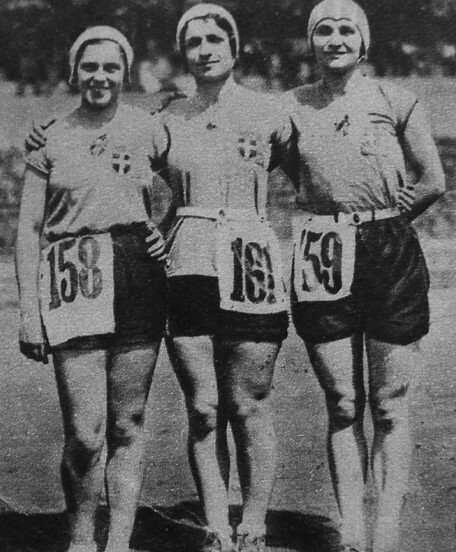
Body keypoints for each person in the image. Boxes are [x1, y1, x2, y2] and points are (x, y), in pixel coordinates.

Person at [284, 1, 445, 551]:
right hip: (322, 249)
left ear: (363, 40)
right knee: (343, 403)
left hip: (387, 248)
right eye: (323, 30)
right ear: (312, 42)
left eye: (345, 29)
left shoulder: (394, 99)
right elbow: (248, 153)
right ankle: (351, 530)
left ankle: (387, 533)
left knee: (390, 403)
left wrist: (387, 223)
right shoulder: (291, 107)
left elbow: (432, 180)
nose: (334, 39)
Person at [16, 26, 169, 552]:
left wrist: (166, 228)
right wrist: (29, 314)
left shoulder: (150, 128)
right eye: (90, 67)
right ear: (75, 72)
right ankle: (81, 539)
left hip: (135, 272)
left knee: (127, 424)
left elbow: (191, 175)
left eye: (110, 67)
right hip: (72, 274)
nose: (100, 77)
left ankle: (120, 542)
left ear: (125, 72)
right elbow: (27, 230)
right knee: (85, 432)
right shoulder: (50, 136)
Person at [152, 5, 293, 551]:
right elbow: (128, 165)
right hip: (187, 261)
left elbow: (308, 163)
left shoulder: (271, 111)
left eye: (216, 38)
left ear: (235, 47)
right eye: (195, 41)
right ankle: (215, 523)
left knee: (249, 402)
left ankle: (253, 523)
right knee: (205, 406)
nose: (206, 49)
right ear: (183, 52)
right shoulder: (168, 116)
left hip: (251, 257)